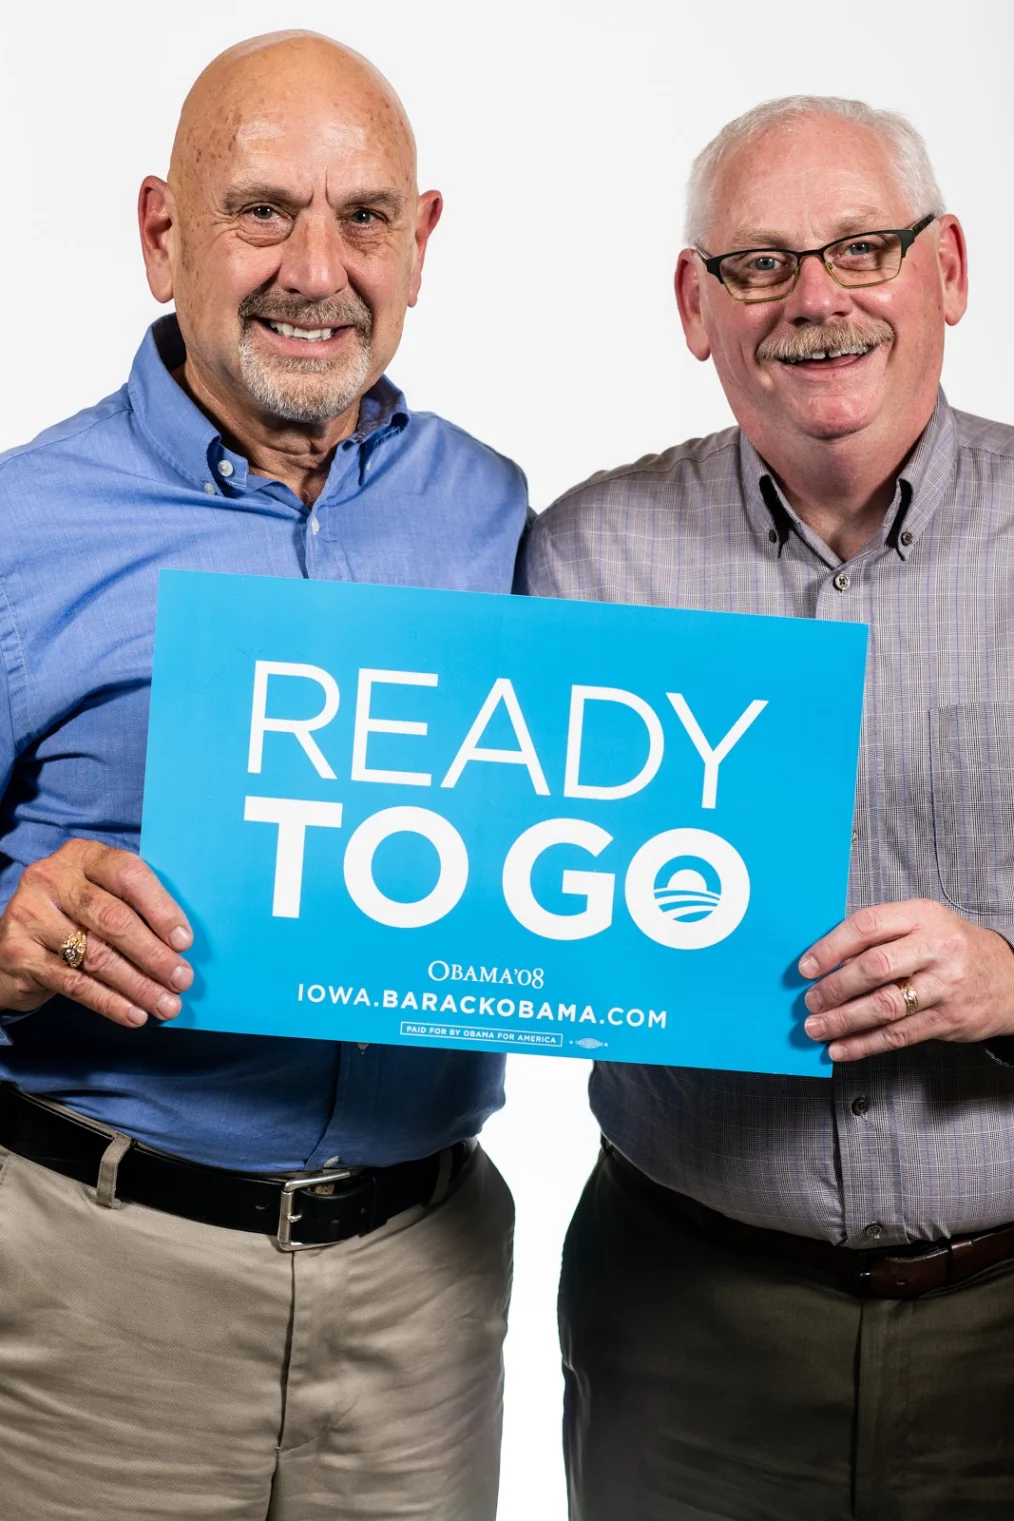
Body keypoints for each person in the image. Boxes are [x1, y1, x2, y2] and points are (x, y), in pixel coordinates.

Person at [0, 31, 525, 1521]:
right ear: (163, 232)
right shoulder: (22, 526)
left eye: (363, 216)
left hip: (423, 1300)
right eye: (260, 211)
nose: (315, 266)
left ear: (418, 246)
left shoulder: (491, 513)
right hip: (95, 1290)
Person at [520, 95, 1014, 1521]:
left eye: (862, 247)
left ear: (949, 271)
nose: (815, 301)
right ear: (695, 303)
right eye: (758, 264)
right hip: (688, 1324)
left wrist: (1006, 982)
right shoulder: (585, 557)